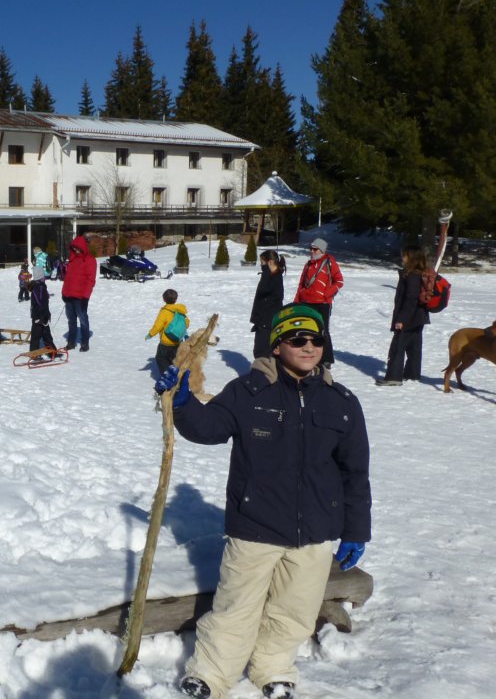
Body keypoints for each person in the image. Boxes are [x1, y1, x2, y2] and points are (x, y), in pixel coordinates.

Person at [156, 303, 371, 699]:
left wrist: (356, 530)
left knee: (295, 610)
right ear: (276, 346)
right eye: (297, 339)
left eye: (316, 339)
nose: (309, 347)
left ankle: (273, 668)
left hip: (316, 532)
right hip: (255, 525)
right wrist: (183, 402)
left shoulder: (341, 402)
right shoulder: (247, 392)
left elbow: (354, 473)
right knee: (235, 606)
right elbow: (208, 428)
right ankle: (211, 675)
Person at [378, 244, 430, 386]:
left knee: (397, 347)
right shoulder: (418, 274)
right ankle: (412, 375)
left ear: (412, 258)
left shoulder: (412, 275)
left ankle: (393, 377)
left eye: (405, 255)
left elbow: (411, 299)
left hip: (410, 318)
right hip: (419, 317)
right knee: (414, 347)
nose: (402, 257)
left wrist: (402, 319)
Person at [293, 238, 343, 367]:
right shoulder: (308, 264)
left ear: (322, 250)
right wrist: (297, 300)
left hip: (322, 303)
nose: (312, 251)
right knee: (307, 330)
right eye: (311, 249)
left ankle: (326, 359)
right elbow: (301, 284)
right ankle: (310, 356)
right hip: (306, 302)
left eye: (315, 249)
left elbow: (339, 281)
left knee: (323, 330)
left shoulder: (329, 262)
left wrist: (326, 294)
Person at [62, 235, 97, 351]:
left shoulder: (90, 260)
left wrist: (86, 297)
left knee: (83, 320)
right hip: (69, 296)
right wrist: (64, 293)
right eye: (74, 248)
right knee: (71, 320)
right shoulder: (72, 260)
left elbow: (90, 280)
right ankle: (71, 342)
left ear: (82, 247)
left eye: (77, 248)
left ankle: (85, 343)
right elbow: (68, 279)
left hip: (81, 298)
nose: (75, 250)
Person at [250, 250, 286, 359]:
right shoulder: (271, 275)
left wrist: (266, 270)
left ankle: (264, 368)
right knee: (259, 350)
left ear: (270, 262)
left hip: (267, 321)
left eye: (262, 263)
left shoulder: (275, 276)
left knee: (262, 351)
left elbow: (263, 290)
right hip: (263, 320)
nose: (261, 266)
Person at [146, 288, 190, 374]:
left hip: (166, 342)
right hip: (177, 341)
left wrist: (150, 334)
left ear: (164, 299)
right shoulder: (179, 310)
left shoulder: (164, 311)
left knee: (161, 358)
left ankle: (167, 376)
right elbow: (186, 323)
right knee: (174, 359)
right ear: (176, 299)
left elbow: (158, 325)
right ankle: (178, 375)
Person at [28, 278, 57, 359]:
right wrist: (42, 316)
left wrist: (46, 315)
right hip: (40, 317)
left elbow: (43, 303)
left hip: (42, 316)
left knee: (45, 335)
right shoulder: (39, 288)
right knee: (38, 336)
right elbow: (41, 303)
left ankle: (52, 353)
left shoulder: (39, 287)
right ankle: (34, 354)